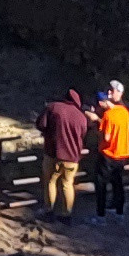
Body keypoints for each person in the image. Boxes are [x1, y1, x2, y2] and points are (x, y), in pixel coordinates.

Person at [37, 84, 88, 219]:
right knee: (67, 184)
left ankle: (49, 211)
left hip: (54, 153)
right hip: (73, 158)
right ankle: (67, 214)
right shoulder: (81, 116)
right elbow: (83, 134)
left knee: (50, 181)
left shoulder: (54, 107)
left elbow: (41, 124)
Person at [88, 79, 129, 218]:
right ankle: (119, 212)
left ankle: (100, 215)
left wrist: (96, 120)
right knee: (118, 183)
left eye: (111, 91)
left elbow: (106, 137)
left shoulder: (108, 115)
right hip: (122, 153)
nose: (108, 92)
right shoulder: (125, 112)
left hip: (108, 154)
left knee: (100, 184)